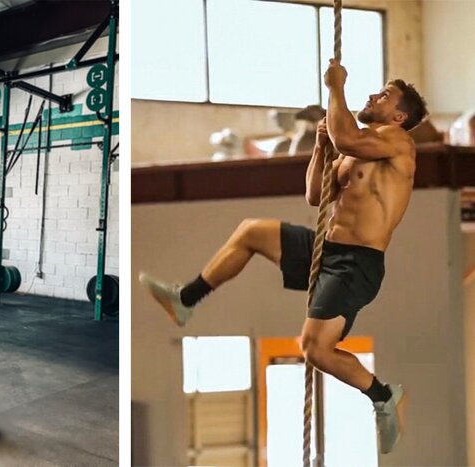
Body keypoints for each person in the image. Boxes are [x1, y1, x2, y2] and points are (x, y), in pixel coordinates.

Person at [140, 59, 427, 455]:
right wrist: (322, 147)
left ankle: (383, 396)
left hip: (357, 263)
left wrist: (335, 88)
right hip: (328, 248)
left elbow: (346, 137)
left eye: (383, 96)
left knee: (315, 350)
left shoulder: (397, 143)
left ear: (398, 115)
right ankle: (186, 299)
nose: (373, 96)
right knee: (250, 231)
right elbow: (314, 193)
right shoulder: (353, 147)